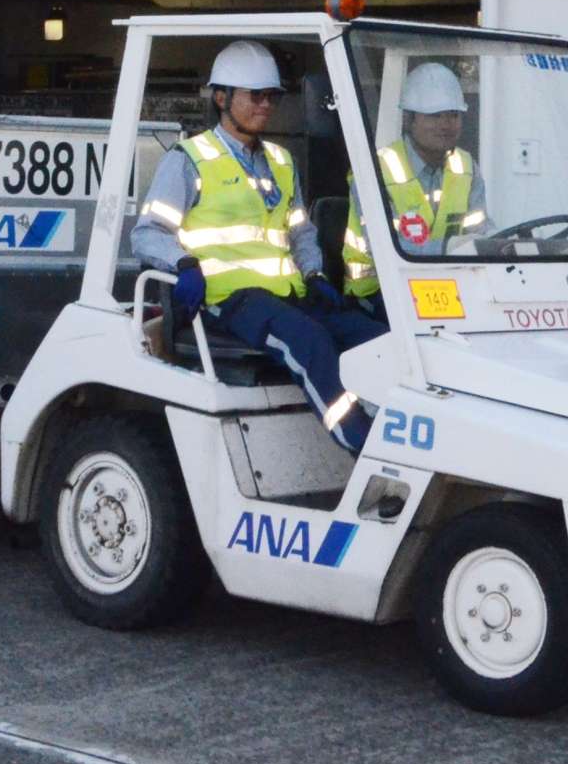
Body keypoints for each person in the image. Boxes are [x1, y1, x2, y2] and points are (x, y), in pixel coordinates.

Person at [132, 41, 386, 454]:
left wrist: (315, 273)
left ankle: (405, 431)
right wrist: (184, 263)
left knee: (375, 337)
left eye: (271, 96)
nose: (266, 105)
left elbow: (300, 231)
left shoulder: (282, 162)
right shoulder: (189, 159)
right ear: (222, 97)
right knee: (312, 343)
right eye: (256, 96)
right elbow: (146, 233)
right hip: (226, 299)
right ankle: (363, 443)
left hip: (289, 296)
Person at [342, 63, 491, 312]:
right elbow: (382, 248)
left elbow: (480, 231)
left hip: (444, 289)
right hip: (378, 293)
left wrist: (501, 245)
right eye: (435, 115)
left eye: (453, 115)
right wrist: (448, 249)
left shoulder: (466, 167)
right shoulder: (376, 170)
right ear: (409, 119)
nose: (446, 124)